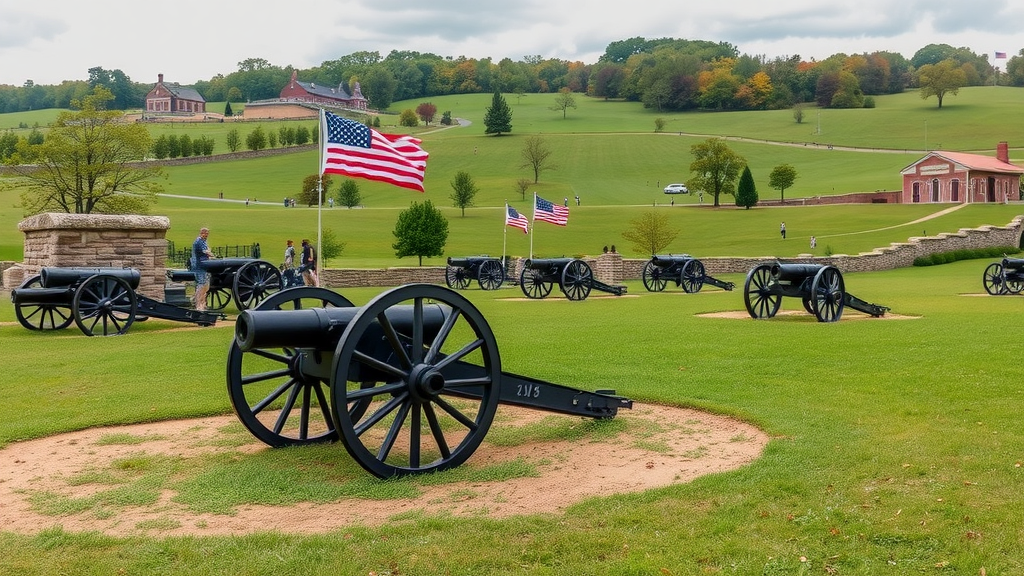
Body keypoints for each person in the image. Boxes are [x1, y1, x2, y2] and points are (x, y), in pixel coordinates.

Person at [191, 227, 214, 310]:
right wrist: (212, 255)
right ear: (202, 233)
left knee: (203, 285)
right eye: (205, 233)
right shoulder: (199, 241)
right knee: (201, 284)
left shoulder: (203, 241)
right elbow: (206, 251)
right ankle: (198, 305)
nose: (207, 235)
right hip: (199, 266)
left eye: (207, 234)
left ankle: (201, 303)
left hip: (203, 265)